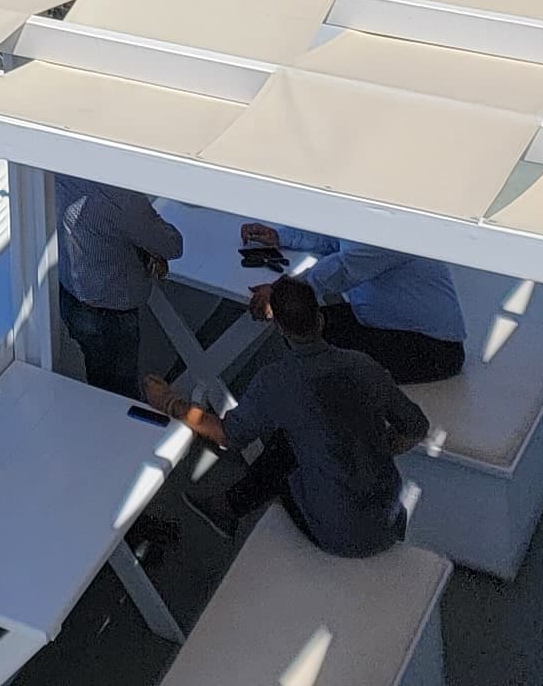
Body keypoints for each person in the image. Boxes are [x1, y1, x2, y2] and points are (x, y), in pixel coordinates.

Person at [175, 273, 431, 555]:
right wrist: (380, 446)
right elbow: (416, 427)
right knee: (305, 434)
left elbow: (227, 435)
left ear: (281, 329)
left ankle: (227, 507)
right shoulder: (363, 365)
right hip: (391, 518)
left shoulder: (276, 381)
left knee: (285, 448)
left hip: (338, 534)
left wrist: (170, 403)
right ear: (320, 319)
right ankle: (227, 506)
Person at [58, 181, 184, 395]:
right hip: (111, 315)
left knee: (98, 380)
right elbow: (172, 245)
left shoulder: (59, 172)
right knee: (121, 391)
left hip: (70, 295)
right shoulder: (122, 199)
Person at [287, 240, 468, 385]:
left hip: (432, 349)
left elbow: (346, 268)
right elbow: (333, 242)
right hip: (390, 324)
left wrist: (287, 293)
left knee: (304, 336)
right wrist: (282, 237)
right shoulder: (375, 222)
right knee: (306, 326)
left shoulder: (389, 234)